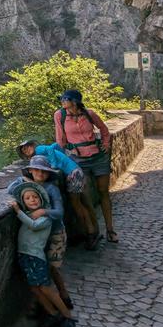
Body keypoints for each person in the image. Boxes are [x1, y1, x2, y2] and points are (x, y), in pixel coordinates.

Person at [9, 181, 76, 327]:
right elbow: (12, 188)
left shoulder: (45, 217)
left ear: (42, 200)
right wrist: (22, 180)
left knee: (45, 288)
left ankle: (68, 317)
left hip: (36, 257)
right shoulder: (29, 213)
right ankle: (53, 314)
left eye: (35, 197)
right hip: (24, 255)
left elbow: (33, 225)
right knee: (34, 288)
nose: (32, 200)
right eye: (27, 198)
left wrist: (18, 211)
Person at [54, 89, 118, 244]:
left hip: (98, 157)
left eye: (65, 99)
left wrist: (105, 144)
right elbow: (60, 140)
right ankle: (92, 231)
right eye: (62, 98)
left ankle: (110, 230)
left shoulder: (89, 113)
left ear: (75, 101)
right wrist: (63, 154)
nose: (62, 101)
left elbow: (104, 130)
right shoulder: (60, 115)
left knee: (103, 192)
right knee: (83, 195)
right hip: (78, 159)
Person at [8, 156, 72, 308]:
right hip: (38, 236)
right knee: (42, 270)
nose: (40, 173)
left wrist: (43, 211)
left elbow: (59, 212)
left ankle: (64, 295)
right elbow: (10, 190)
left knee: (51, 267)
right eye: (36, 170)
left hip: (55, 233)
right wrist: (23, 179)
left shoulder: (52, 188)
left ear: (48, 173)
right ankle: (44, 304)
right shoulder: (29, 185)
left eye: (44, 171)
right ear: (31, 170)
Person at [16, 139, 99, 251]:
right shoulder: (40, 154)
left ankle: (90, 233)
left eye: (27, 147)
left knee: (77, 205)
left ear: (32, 145)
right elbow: (57, 145)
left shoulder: (39, 149)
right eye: (24, 150)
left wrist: (54, 164)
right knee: (81, 204)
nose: (26, 150)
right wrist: (63, 158)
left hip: (73, 173)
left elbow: (52, 147)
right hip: (75, 171)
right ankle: (89, 231)